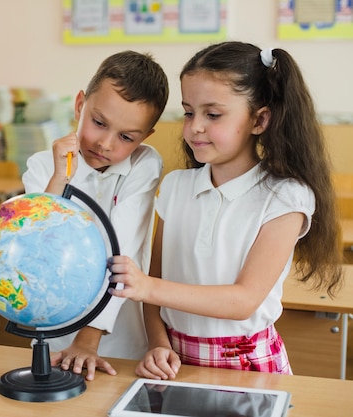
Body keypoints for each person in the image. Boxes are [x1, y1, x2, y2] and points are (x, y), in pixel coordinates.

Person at [108, 41, 343, 379]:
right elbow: (155, 284)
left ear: (260, 119)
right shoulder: (175, 187)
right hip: (176, 363)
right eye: (189, 112)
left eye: (212, 114)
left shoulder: (286, 197)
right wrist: (157, 344)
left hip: (249, 366)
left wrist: (146, 286)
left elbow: (243, 300)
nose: (195, 127)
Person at [22, 50, 169, 380]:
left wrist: (88, 339)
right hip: (55, 331)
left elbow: (122, 248)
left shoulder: (145, 165)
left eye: (126, 137)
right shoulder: (43, 166)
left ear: (144, 138)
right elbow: (38, 244)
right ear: (79, 105)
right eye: (99, 123)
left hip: (118, 338)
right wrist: (60, 176)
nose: (105, 143)